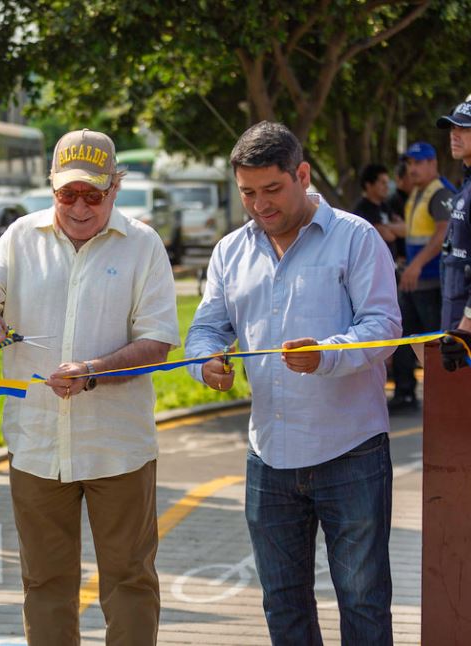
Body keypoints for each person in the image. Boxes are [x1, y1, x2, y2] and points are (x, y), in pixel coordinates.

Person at [0, 129, 180, 645]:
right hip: (37, 446)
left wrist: (93, 371)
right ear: (52, 188)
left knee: (129, 581)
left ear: (115, 188)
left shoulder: (144, 245)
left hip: (117, 448)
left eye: (93, 195)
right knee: (45, 582)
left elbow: (157, 342)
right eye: (67, 194)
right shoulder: (20, 236)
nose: (79, 207)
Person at [185, 121, 401, 645]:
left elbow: (384, 327)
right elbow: (206, 328)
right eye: (248, 193)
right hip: (269, 457)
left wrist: (325, 354)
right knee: (283, 605)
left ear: (302, 174)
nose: (260, 205)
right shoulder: (229, 251)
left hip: (351, 450)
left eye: (272, 189)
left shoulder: (356, 237)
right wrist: (205, 361)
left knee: (363, 603)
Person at [387, 141, 453, 411]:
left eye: (417, 163)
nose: (411, 169)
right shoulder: (417, 193)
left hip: (432, 280)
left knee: (434, 343)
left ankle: (446, 395)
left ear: (432, 163)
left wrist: (416, 265)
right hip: (414, 280)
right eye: (410, 163)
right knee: (405, 338)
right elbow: (417, 231)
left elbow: (443, 233)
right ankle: (405, 393)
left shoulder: (440, 193)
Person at [437, 100, 471, 333]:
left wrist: (467, 324)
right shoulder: (466, 187)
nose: (454, 135)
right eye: (452, 128)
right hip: (457, 332)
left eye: (465, 128)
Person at [352, 163, 400, 256]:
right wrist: (393, 228)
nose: (387, 187)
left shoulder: (385, 206)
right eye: (383, 183)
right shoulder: (362, 209)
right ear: (368, 185)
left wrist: (385, 226)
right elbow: (387, 236)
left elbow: (405, 229)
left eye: (387, 183)